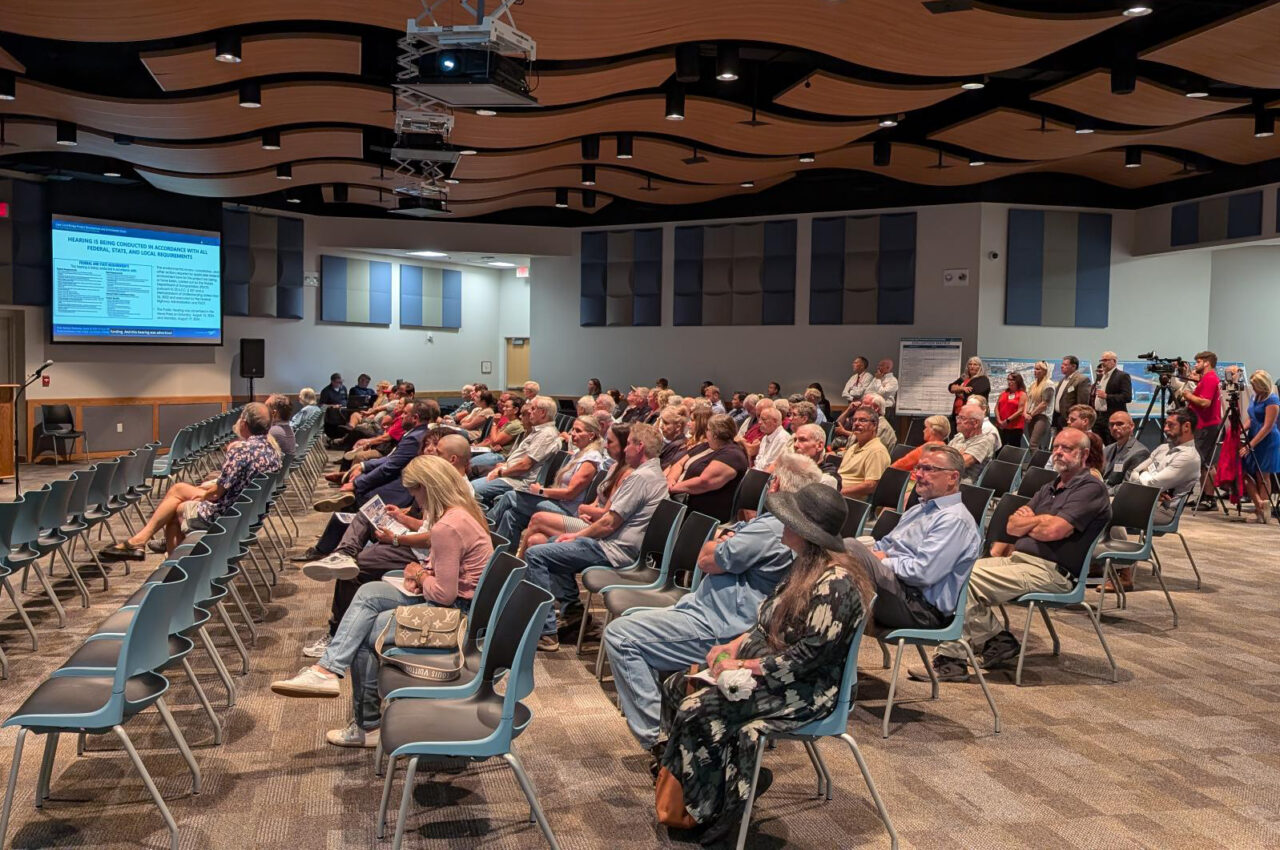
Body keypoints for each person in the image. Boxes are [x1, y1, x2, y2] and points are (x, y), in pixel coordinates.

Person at [656, 483, 873, 845]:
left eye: (789, 520)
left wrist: (745, 667)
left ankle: (717, 812)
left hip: (807, 690)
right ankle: (698, 784)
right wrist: (729, 647)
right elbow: (763, 624)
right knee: (678, 685)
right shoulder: (803, 565)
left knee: (698, 708)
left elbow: (807, 660)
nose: (781, 524)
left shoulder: (835, 584)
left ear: (805, 532)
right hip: (773, 672)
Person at [604, 455, 822, 763]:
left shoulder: (774, 528)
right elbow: (716, 554)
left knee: (621, 636)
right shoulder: (789, 526)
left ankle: (659, 740)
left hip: (720, 626)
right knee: (635, 625)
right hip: (709, 613)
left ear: (775, 485)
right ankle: (676, 729)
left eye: (768, 479)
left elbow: (706, 559)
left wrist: (720, 541)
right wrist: (721, 544)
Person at [269, 456, 493, 748]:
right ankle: (326, 670)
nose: (415, 500)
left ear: (427, 487)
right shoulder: (461, 513)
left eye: (415, 493)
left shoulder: (446, 527)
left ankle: (367, 725)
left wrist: (419, 574)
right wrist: (423, 573)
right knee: (370, 591)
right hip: (459, 607)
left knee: (364, 634)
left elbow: (443, 595)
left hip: (455, 617)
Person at [912, 427, 1111, 682]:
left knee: (965, 580)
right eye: (1056, 446)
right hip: (1017, 561)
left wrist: (1034, 522)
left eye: (1066, 448)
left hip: (1052, 571)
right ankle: (997, 640)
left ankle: (952, 660)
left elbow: (1054, 530)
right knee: (951, 569)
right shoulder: (1050, 487)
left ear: (1084, 454)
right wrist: (1039, 521)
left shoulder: (1090, 488)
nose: (1058, 452)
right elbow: (1011, 526)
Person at [298, 434, 473, 658]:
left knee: (357, 568)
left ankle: (336, 634)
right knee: (366, 515)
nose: (431, 452)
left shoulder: (459, 493)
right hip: (420, 548)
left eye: (437, 452)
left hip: (422, 556)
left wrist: (399, 542)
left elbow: (436, 538)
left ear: (452, 459)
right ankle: (343, 553)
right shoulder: (445, 487)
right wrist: (402, 517)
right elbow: (431, 527)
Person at [523, 423, 669, 651]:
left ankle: (546, 632)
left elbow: (609, 522)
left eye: (629, 443)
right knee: (548, 545)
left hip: (614, 551)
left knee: (536, 554)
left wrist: (575, 536)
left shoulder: (640, 477)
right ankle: (573, 613)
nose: (625, 448)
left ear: (639, 447)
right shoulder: (652, 474)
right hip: (612, 545)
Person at [102, 403, 281, 559]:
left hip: (227, 514)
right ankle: (141, 542)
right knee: (179, 490)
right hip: (248, 512)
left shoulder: (241, 450)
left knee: (177, 508)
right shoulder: (273, 449)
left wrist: (202, 496)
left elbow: (217, 493)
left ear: (243, 423)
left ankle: (172, 566)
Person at [863, 445, 981, 630]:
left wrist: (880, 561)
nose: (918, 474)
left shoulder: (954, 520)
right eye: (918, 468)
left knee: (848, 550)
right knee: (840, 562)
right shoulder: (918, 509)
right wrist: (874, 556)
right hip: (897, 590)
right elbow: (883, 546)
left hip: (920, 608)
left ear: (953, 477)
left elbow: (923, 573)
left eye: (928, 469)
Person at [519, 423, 631, 556]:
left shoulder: (627, 473)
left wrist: (584, 509)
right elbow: (597, 501)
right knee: (535, 540)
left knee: (537, 518)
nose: (606, 446)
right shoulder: (614, 467)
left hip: (597, 528)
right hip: (587, 519)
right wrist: (587, 511)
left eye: (610, 442)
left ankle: (516, 564)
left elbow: (605, 514)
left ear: (624, 444)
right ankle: (520, 570)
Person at [489, 416, 604, 542]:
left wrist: (541, 491)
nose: (573, 434)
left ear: (591, 435)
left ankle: (484, 530)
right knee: (511, 515)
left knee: (510, 496)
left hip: (568, 511)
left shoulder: (591, 459)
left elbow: (570, 493)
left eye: (578, 431)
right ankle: (503, 554)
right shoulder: (579, 452)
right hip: (557, 502)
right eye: (573, 430)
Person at [313, 400, 435, 512]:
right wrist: (363, 466)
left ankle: (342, 529)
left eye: (404, 413)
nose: (401, 416)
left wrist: (357, 484)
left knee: (359, 495)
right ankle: (341, 527)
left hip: (403, 487)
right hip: (398, 476)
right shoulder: (416, 433)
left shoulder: (414, 438)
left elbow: (390, 467)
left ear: (415, 418)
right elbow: (392, 460)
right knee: (359, 475)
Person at [470, 396, 561, 510]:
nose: (530, 412)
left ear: (542, 412)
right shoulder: (538, 431)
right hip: (512, 475)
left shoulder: (546, 434)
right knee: (471, 485)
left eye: (533, 409)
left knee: (471, 490)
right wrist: (504, 466)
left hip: (518, 481)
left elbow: (525, 465)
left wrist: (501, 473)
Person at [670, 414, 750, 522]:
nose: (705, 432)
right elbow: (679, 463)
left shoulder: (732, 455)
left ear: (715, 434)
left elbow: (704, 482)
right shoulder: (707, 445)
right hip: (678, 497)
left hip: (700, 514)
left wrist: (673, 489)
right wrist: (670, 481)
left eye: (707, 429)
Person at [1181, 350, 1222, 508]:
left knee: (1205, 462)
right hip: (1203, 424)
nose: (1196, 365)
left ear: (1207, 362)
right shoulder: (1206, 379)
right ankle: (1205, 496)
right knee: (1204, 462)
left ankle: (1209, 498)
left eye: (1198, 362)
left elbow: (1205, 403)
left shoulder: (1210, 378)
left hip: (1207, 426)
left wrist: (1188, 395)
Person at [1240, 370, 1280, 524]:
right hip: (1253, 437)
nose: (1253, 388)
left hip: (1267, 441)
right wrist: (1242, 430)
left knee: (1263, 476)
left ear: (1263, 386)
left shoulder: (1273, 400)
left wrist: (1251, 445)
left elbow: (1267, 426)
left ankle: (1262, 513)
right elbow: (1252, 418)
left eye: (1256, 386)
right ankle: (1260, 504)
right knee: (1245, 472)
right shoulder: (1254, 397)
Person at [838, 407, 891, 498]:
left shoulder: (877, 451)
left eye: (862, 420)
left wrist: (839, 492)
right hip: (837, 490)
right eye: (854, 420)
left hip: (850, 500)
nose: (856, 423)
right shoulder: (853, 447)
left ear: (874, 426)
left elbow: (871, 485)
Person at [470, 394, 526, 473]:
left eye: (507, 407)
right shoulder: (510, 423)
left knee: (470, 463)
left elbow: (494, 440)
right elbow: (493, 440)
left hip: (501, 456)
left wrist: (494, 424)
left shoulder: (515, 425)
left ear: (516, 410)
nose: (503, 408)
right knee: (467, 456)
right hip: (495, 451)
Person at [949, 403, 998, 485]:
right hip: (949, 479)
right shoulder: (959, 437)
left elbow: (960, 464)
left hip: (963, 486)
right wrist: (958, 455)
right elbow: (942, 456)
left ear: (975, 423)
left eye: (962, 418)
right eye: (958, 417)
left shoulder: (984, 441)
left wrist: (951, 455)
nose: (957, 421)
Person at [1102, 411, 1150, 493]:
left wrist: (1103, 491)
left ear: (1131, 426)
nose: (1114, 428)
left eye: (1120, 424)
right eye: (1111, 424)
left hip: (1117, 498)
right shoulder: (1107, 449)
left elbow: (1128, 486)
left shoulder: (1140, 452)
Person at [1092, 352, 1132, 445]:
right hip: (1099, 417)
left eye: (1106, 360)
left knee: (1113, 446)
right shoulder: (1101, 376)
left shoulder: (1122, 376)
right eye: (1102, 360)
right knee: (1098, 446)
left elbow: (1127, 397)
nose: (1103, 363)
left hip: (1113, 417)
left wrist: (1107, 396)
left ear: (1114, 361)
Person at [792, 424, 841, 489]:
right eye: (795, 440)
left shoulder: (828, 479)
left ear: (819, 446)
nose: (795, 445)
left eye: (802, 440)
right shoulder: (790, 468)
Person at [1052, 355, 1092, 431]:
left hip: (1070, 419)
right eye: (1062, 364)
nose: (1062, 366)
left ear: (1073, 366)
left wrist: (1075, 417)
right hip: (1059, 418)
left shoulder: (1082, 380)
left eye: (1065, 365)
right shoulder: (1063, 379)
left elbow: (1082, 403)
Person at [1024, 361, 1055, 451]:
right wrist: (1026, 413)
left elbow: (1044, 404)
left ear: (1044, 371)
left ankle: (1036, 465)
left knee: (1033, 444)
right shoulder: (1034, 384)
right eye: (1034, 368)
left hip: (1042, 417)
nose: (1035, 371)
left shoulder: (1048, 384)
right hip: (1032, 416)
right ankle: (1038, 463)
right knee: (1034, 444)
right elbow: (1028, 399)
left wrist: (1031, 414)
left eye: (1038, 369)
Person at [949, 357, 990, 423]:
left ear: (980, 367)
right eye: (970, 364)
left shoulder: (983, 379)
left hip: (972, 416)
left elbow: (972, 396)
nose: (972, 366)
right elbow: (950, 387)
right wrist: (962, 388)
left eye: (975, 364)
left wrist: (957, 391)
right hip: (958, 414)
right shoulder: (964, 377)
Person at [751, 406, 792, 471]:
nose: (759, 422)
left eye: (763, 419)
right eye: (759, 419)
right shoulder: (765, 437)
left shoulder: (783, 439)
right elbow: (759, 462)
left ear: (775, 421)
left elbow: (771, 468)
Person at [995, 372, 1027, 449]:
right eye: (1008, 379)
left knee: (1013, 450)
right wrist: (999, 420)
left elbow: (1020, 410)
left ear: (1018, 381)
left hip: (1015, 427)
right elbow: (996, 407)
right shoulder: (1003, 393)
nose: (1010, 382)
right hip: (1002, 426)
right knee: (1000, 449)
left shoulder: (1022, 394)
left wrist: (1007, 420)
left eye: (1012, 380)